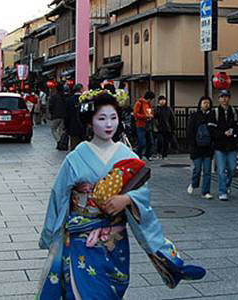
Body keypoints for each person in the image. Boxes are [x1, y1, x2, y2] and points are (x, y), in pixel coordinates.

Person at [37, 92, 205, 299]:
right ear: (90, 122)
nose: (109, 124)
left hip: (115, 240)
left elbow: (142, 191)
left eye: (113, 117)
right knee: (86, 292)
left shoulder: (127, 155)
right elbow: (59, 195)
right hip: (81, 238)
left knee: (111, 291)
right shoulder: (76, 156)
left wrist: (127, 199)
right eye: (101, 118)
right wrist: (51, 235)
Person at [208, 90, 238, 201]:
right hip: (219, 145)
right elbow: (211, 129)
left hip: (232, 144)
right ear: (218, 99)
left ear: (229, 98)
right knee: (221, 170)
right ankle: (222, 191)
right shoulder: (215, 112)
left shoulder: (235, 111)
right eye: (222, 97)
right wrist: (223, 134)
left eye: (226, 97)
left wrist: (234, 132)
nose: (224, 99)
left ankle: (227, 184)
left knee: (232, 169)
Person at [186, 96, 214, 199]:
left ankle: (205, 191)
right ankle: (194, 184)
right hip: (196, 147)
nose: (206, 105)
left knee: (207, 171)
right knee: (197, 169)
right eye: (204, 103)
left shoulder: (212, 116)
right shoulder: (194, 116)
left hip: (208, 147)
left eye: (208, 103)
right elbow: (190, 131)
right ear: (200, 104)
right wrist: (192, 144)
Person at [133, 91, 155, 160]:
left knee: (150, 142)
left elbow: (150, 112)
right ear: (149, 98)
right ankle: (138, 156)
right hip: (140, 125)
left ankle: (147, 155)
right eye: (151, 99)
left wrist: (151, 115)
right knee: (141, 142)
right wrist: (145, 116)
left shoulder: (148, 104)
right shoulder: (139, 103)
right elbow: (135, 114)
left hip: (148, 124)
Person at [65, 83, 85, 151]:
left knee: (74, 147)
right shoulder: (84, 100)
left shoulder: (69, 100)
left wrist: (66, 126)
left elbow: (67, 114)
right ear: (81, 89)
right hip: (83, 126)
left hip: (72, 126)